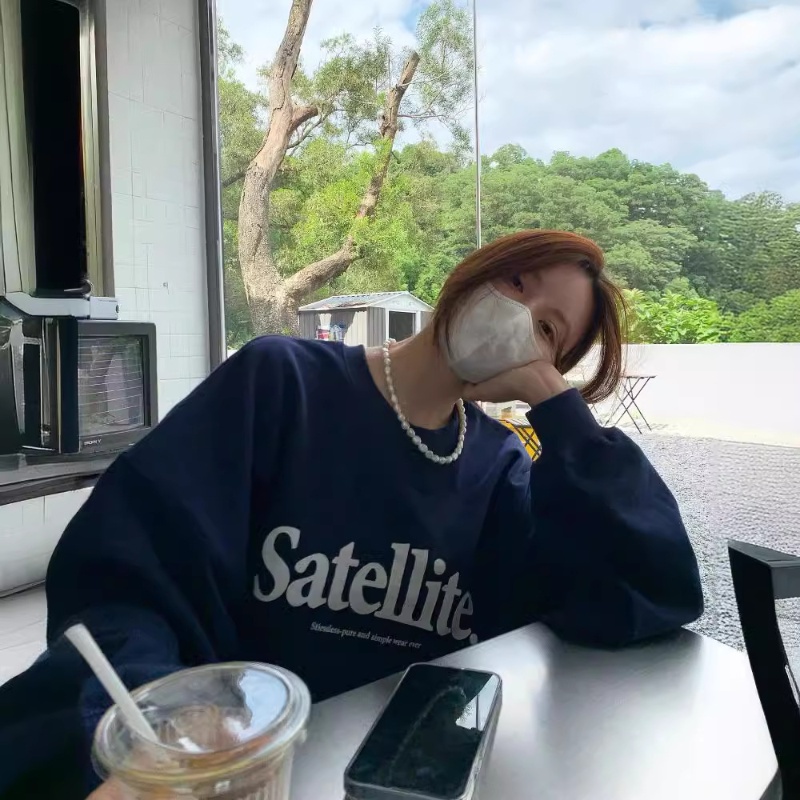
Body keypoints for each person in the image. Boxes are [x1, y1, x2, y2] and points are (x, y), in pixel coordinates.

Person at [0, 230, 703, 799]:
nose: (520, 315)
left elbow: (645, 592)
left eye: (547, 331)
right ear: (472, 273)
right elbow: (126, 580)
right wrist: (163, 723)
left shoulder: (500, 474)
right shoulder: (282, 384)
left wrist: (560, 413)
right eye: (518, 283)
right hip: (236, 773)